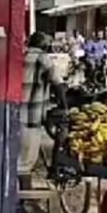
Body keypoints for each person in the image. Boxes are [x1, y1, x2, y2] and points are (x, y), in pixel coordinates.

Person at [20, 32, 67, 178]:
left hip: (15, 114)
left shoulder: (20, 56)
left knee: (18, 158)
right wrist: (64, 106)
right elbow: (58, 84)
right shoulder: (43, 58)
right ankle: (24, 190)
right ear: (44, 45)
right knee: (26, 163)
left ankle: (19, 187)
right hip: (32, 117)